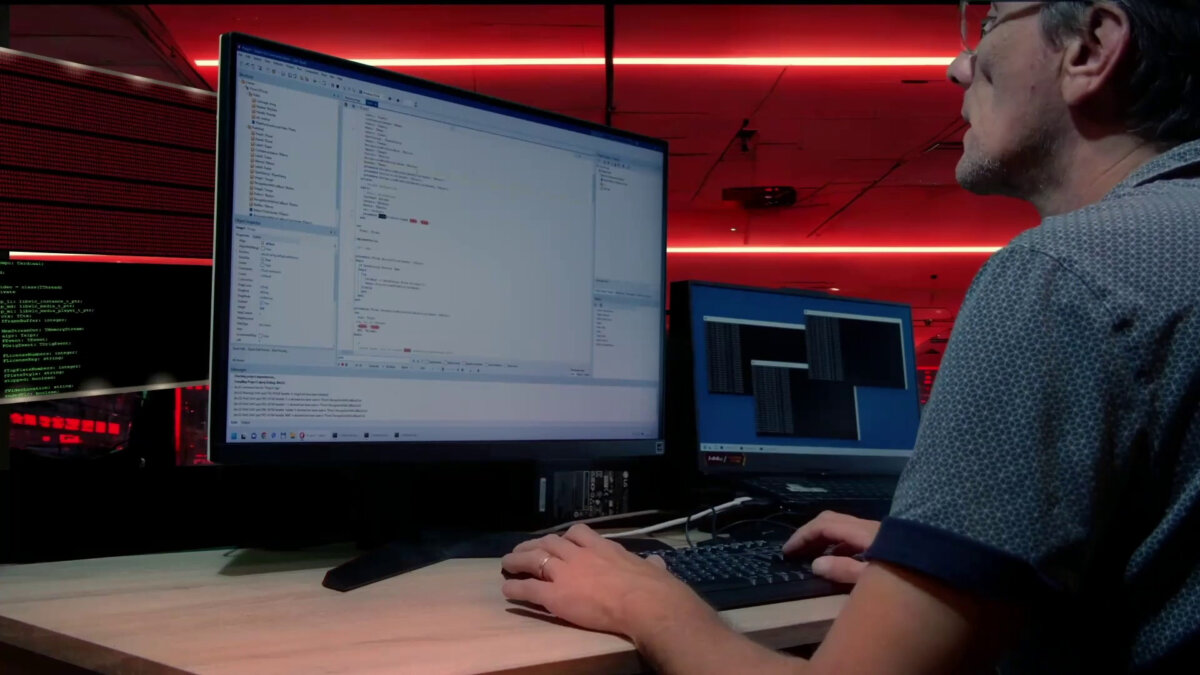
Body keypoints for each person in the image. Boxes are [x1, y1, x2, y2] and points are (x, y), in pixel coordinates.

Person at [501, 1, 1200, 672]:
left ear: (1090, 46)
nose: (959, 65)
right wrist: (941, 561)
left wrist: (644, 599)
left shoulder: (1064, 275)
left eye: (988, 23)